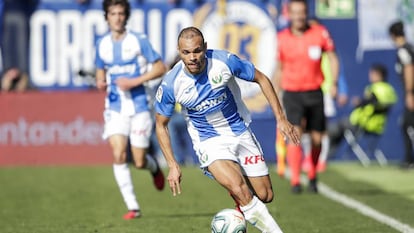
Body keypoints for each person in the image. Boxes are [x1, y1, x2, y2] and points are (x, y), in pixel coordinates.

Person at [155, 26, 300, 233]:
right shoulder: (171, 83)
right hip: (209, 141)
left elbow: (262, 79)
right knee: (238, 186)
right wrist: (172, 165)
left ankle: (241, 210)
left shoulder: (224, 62)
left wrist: (281, 118)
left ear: (205, 47)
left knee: (265, 195)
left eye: (197, 50)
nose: (193, 57)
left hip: (239, 131)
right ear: (179, 52)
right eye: (186, 52)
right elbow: (160, 125)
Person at [94, 0, 167, 220]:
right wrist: (100, 81)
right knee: (118, 154)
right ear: (106, 16)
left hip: (140, 106)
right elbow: (100, 69)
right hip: (115, 107)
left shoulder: (138, 40)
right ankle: (133, 207)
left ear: (126, 16)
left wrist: (135, 81)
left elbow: (160, 67)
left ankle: (153, 168)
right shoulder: (101, 43)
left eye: (120, 13)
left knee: (138, 161)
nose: (117, 17)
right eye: (112, 13)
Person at [273, 0, 339, 193]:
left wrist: (334, 83)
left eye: (302, 12)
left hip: (314, 91)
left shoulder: (320, 33)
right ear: (289, 14)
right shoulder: (282, 38)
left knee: (317, 138)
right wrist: (276, 92)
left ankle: (312, 174)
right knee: (295, 134)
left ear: (306, 13)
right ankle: (295, 180)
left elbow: (333, 57)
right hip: (292, 92)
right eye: (295, 13)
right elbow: (279, 68)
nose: (299, 17)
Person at [327, 64, 397, 158]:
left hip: (364, 124)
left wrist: (359, 102)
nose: (370, 75)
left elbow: (372, 100)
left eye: (372, 73)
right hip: (379, 126)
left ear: (378, 75)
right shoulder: (390, 90)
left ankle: (326, 156)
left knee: (333, 129)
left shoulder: (376, 89)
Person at [389, 21, 414, 169]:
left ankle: (409, 159)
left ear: (393, 35)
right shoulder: (410, 48)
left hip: (412, 93)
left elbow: (409, 69)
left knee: (407, 125)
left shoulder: (404, 50)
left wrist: (410, 93)